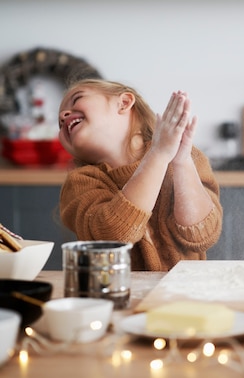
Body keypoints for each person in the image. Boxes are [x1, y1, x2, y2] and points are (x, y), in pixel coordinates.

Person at [57, 79, 222, 271]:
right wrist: (158, 155)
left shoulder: (187, 157)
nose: (62, 116)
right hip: (119, 296)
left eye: (77, 98)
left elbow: (201, 235)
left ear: (124, 103)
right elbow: (112, 237)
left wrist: (182, 161)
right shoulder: (80, 183)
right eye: (59, 122)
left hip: (186, 295)